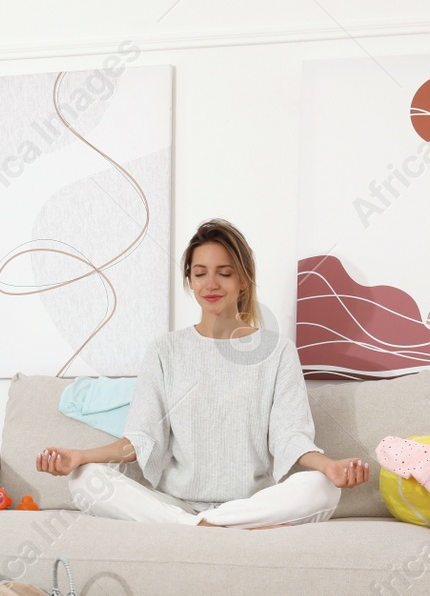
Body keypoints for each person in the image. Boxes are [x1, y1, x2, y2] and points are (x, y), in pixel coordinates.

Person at [35, 218, 370, 528]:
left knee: (322, 489)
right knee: (85, 479)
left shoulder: (278, 352)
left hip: (251, 501)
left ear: (243, 279)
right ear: (190, 280)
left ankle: (214, 524)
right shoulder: (164, 350)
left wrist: (330, 467)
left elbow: (291, 438)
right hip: (177, 504)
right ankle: (208, 526)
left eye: (224, 273)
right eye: (200, 273)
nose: (211, 284)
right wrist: (80, 457)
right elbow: (141, 439)